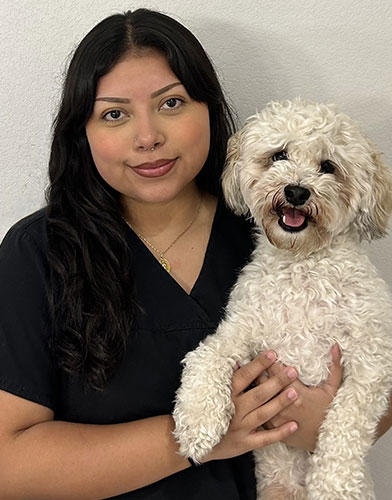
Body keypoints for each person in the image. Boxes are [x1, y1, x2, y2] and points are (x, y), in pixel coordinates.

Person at [0, 8, 391, 500]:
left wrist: (320, 424)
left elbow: (374, 379)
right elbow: (8, 464)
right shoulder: (38, 254)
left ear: (209, 109)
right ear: (82, 132)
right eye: (115, 113)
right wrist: (194, 442)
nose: (148, 137)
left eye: (171, 103)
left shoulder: (278, 234)